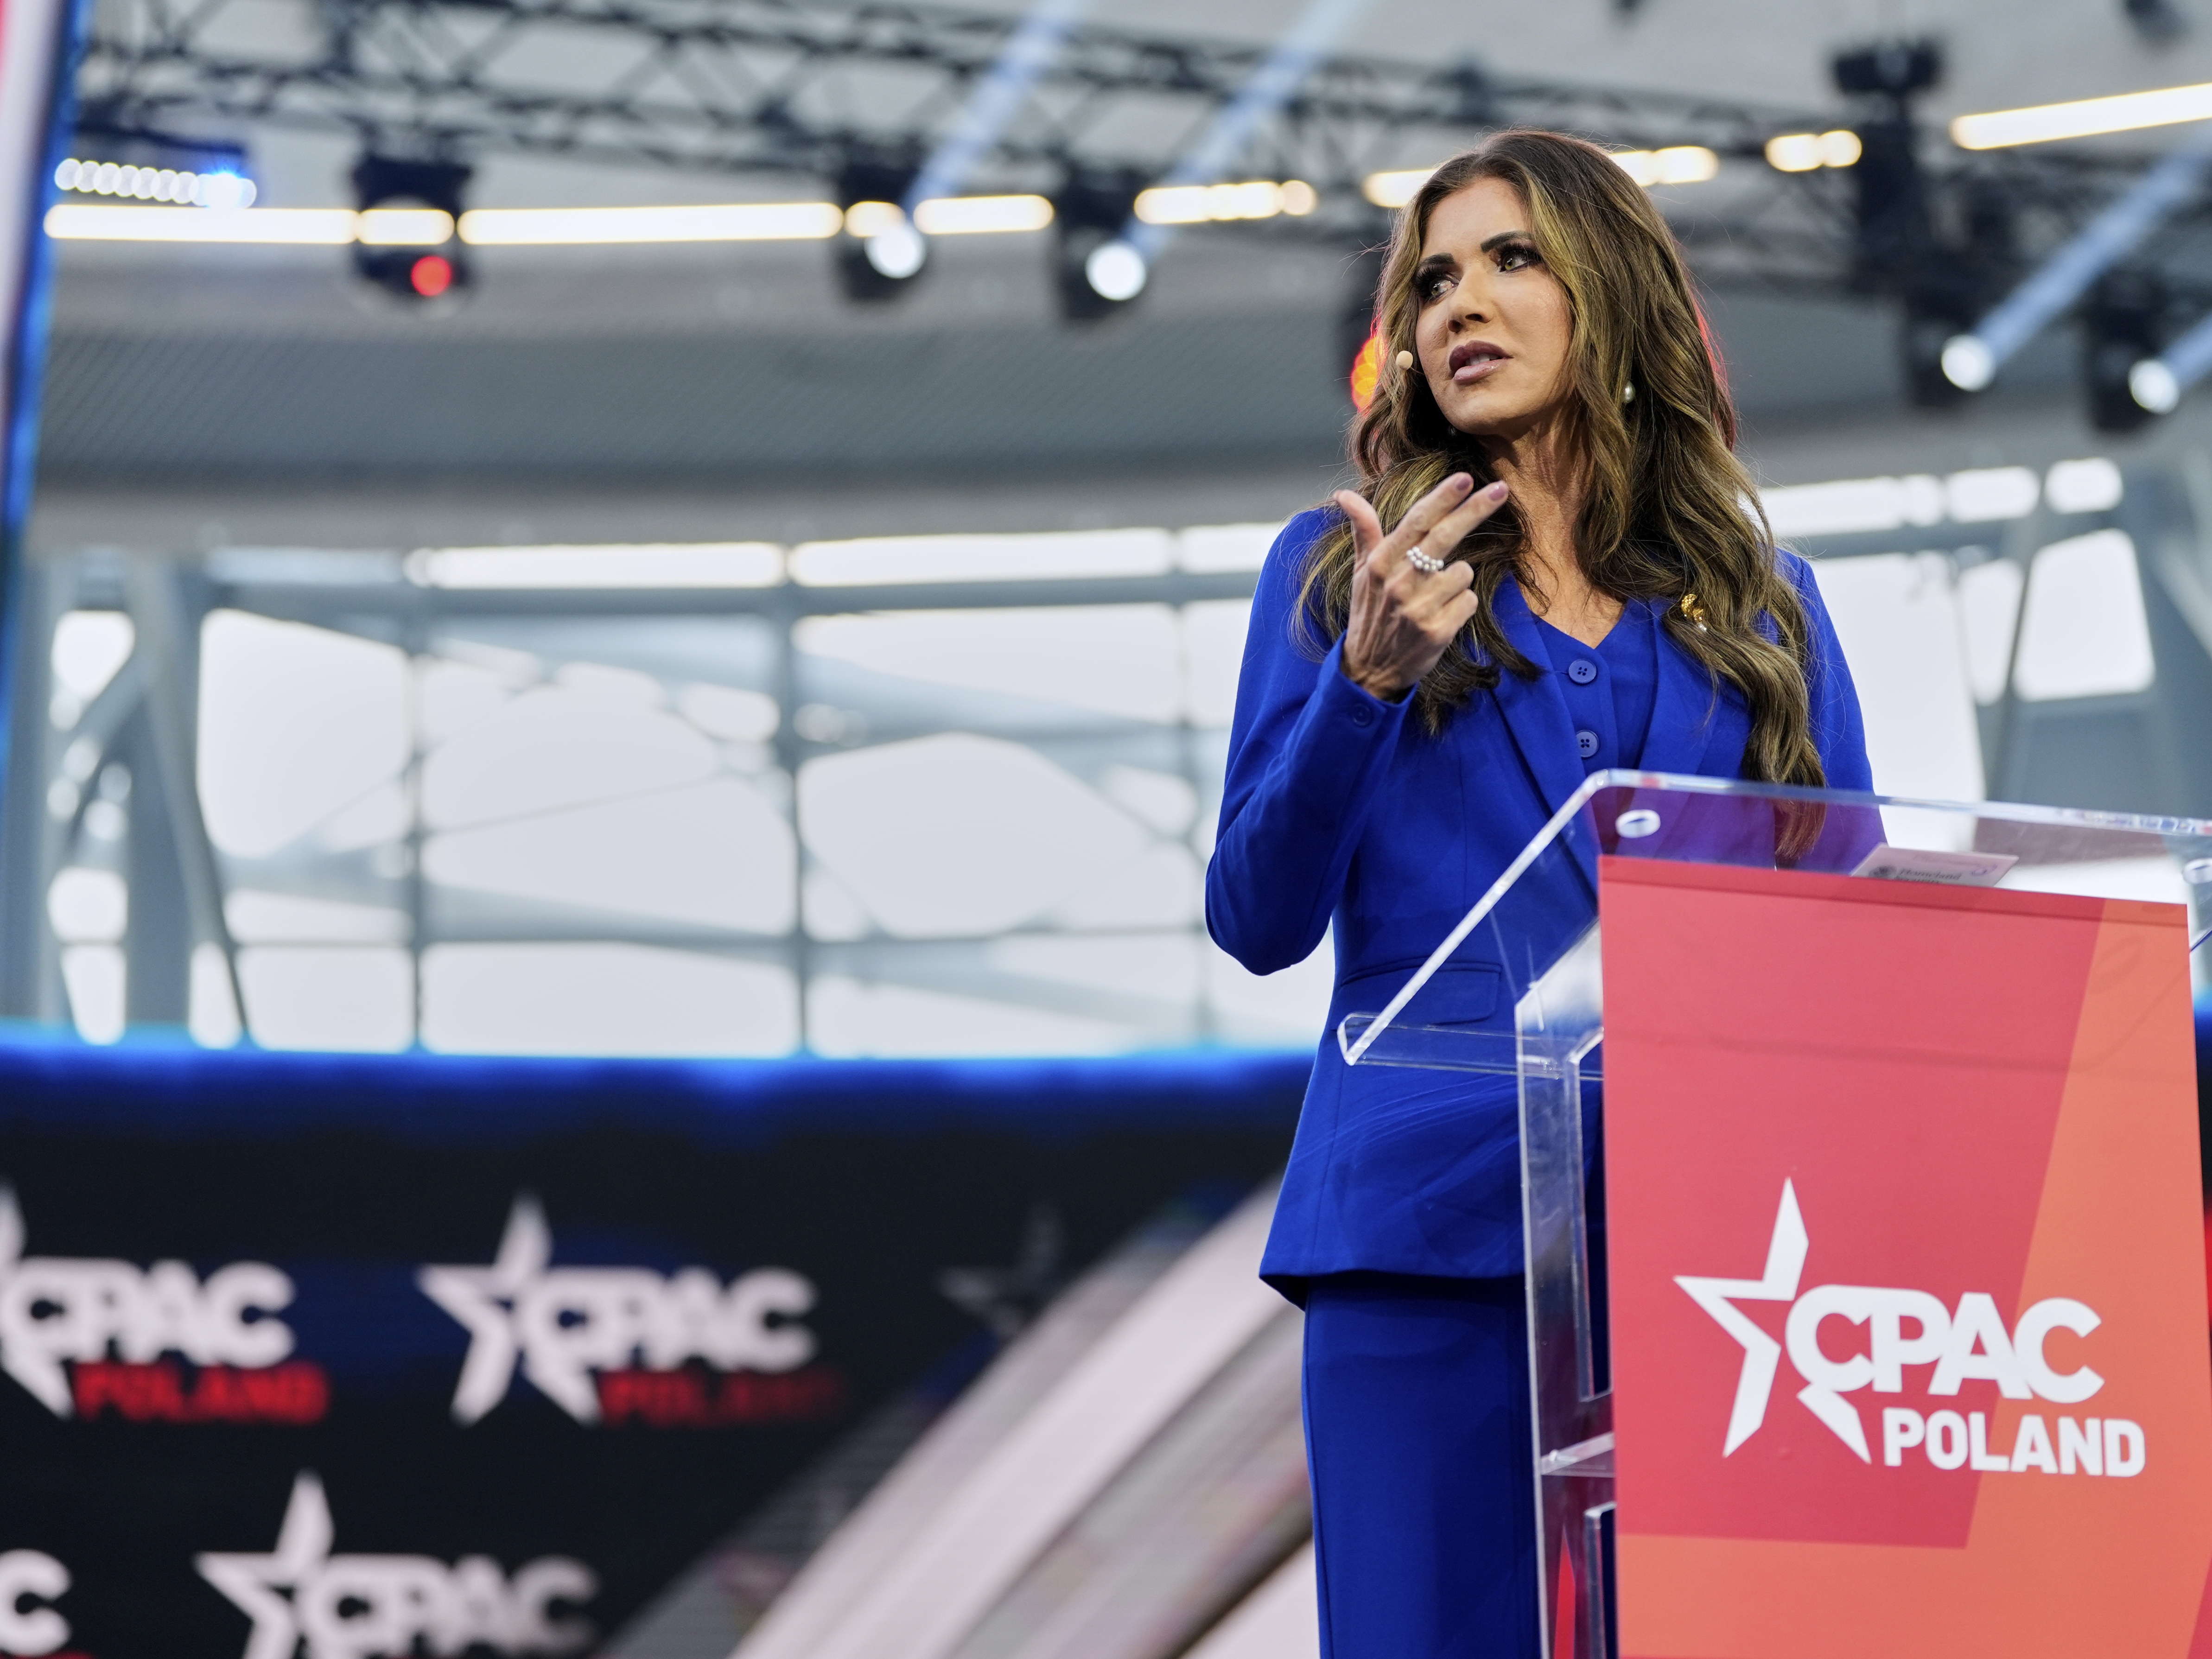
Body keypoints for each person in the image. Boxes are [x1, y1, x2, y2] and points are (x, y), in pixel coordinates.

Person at [1204, 130, 1876, 1658]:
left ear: (1615, 302)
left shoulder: (1767, 607)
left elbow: (1850, 932)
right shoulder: (1339, 571)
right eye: (1432, 276)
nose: (1459, 302)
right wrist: (1365, 685)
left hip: (1722, 1270)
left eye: (1512, 260)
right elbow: (1255, 914)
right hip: (1424, 1246)